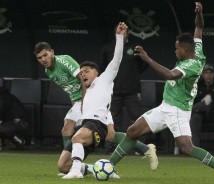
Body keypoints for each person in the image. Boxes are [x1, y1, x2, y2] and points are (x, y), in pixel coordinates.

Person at [109, 3, 214, 184]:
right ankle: (109, 166)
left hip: (178, 110)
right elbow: (199, 27)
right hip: (165, 107)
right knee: (132, 131)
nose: (175, 50)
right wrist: (199, 13)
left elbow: (170, 74)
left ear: (185, 50)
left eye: (177, 48)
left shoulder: (191, 65)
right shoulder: (197, 50)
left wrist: (147, 58)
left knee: (186, 147)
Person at [61, 22, 158, 179]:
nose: (83, 74)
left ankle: (76, 171)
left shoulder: (104, 79)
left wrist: (119, 37)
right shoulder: (85, 90)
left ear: (97, 73)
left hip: (96, 123)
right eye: (81, 72)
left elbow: (117, 59)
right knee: (63, 166)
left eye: (86, 71)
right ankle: (98, 168)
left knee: (77, 137)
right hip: (87, 123)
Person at [34, 41, 86, 148]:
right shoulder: (48, 72)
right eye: (39, 58)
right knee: (67, 130)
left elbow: (83, 78)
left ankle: (69, 159)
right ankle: (70, 160)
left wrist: (85, 102)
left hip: (89, 97)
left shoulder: (64, 60)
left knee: (109, 135)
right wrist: (75, 104)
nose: (43, 59)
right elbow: (70, 90)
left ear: (52, 52)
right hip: (78, 101)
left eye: (45, 55)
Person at [100, 25, 148, 134]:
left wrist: (133, 73)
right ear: (115, 33)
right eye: (120, 30)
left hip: (132, 91)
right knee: (113, 119)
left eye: (125, 31)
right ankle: (113, 146)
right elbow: (102, 67)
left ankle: (137, 147)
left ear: (128, 33)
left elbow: (144, 64)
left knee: (136, 118)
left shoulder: (135, 48)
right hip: (113, 91)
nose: (123, 33)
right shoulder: (107, 48)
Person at [190, 63, 214, 146]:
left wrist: (211, 96)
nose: (208, 75)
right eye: (206, 73)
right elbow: (192, 100)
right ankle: (195, 148)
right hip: (199, 113)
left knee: (208, 100)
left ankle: (186, 112)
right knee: (195, 118)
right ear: (203, 75)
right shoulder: (197, 86)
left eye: (210, 73)